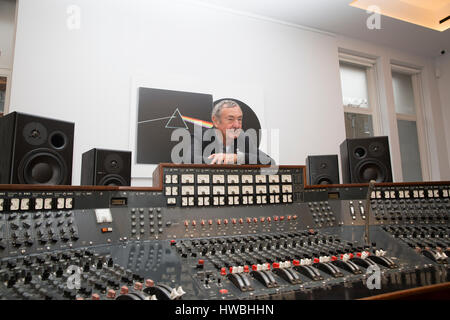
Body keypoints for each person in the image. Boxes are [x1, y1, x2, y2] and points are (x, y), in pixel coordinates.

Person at [190, 100, 274, 165]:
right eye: (230, 119)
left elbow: (269, 161)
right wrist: (224, 158)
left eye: (239, 119)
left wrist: (237, 157)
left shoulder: (242, 137)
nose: (237, 125)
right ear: (216, 121)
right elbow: (190, 159)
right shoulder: (200, 136)